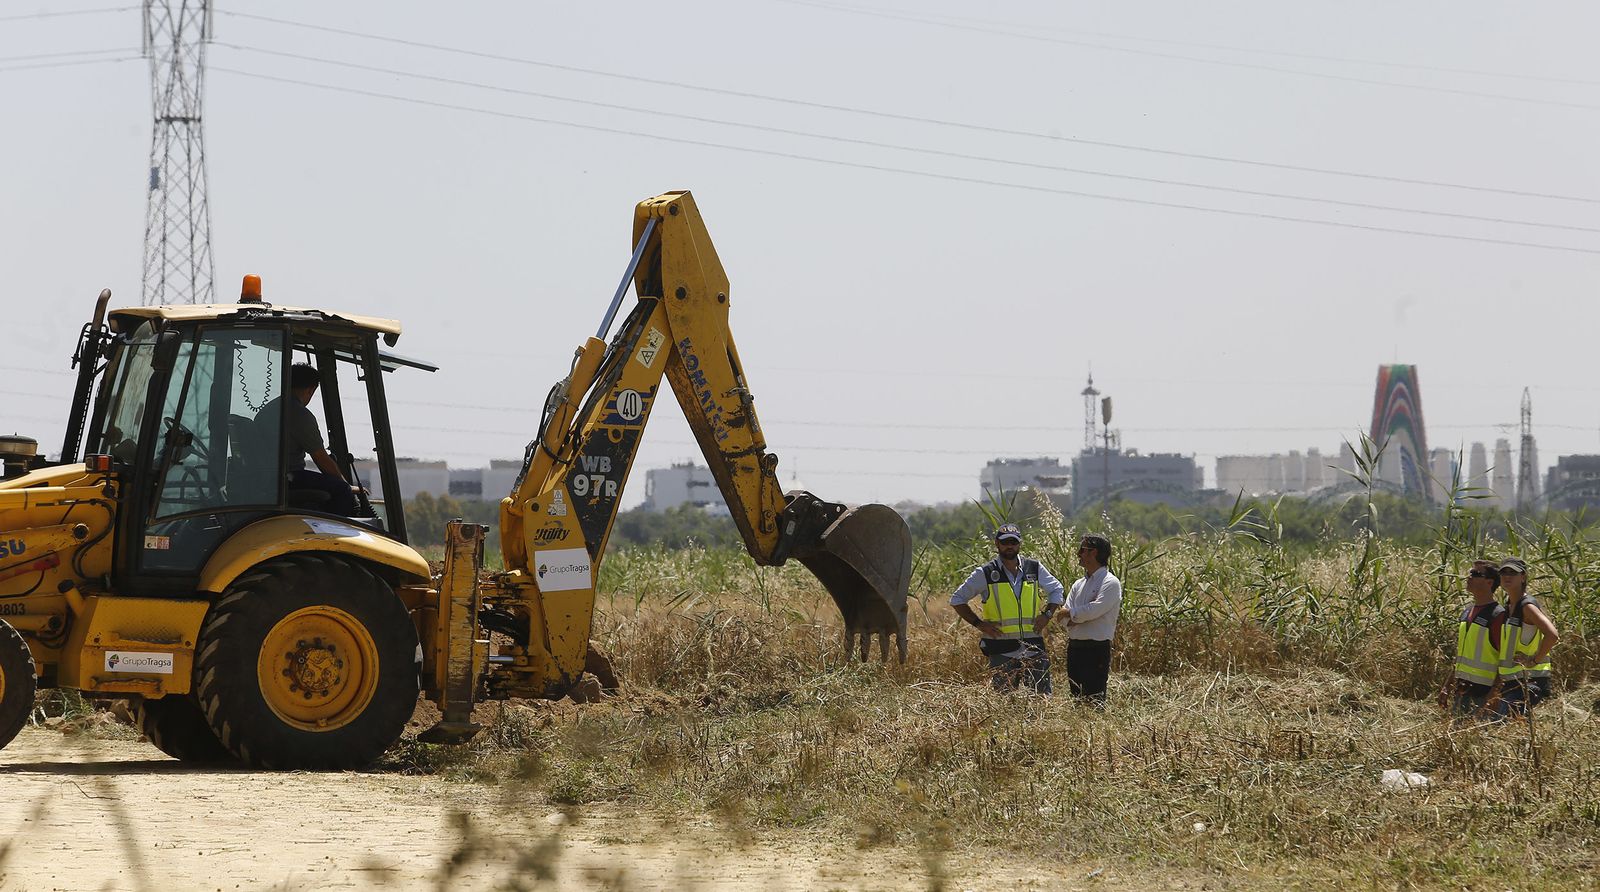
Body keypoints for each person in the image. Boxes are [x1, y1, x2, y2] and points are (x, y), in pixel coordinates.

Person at [950, 523, 1066, 693]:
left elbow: (1057, 589)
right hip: (1002, 649)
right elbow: (957, 599)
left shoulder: (1034, 568)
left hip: (1033, 647)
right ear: (997, 543)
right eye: (1005, 542)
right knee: (1004, 700)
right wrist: (979, 624)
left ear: (1019, 544)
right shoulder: (985, 572)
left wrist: (1047, 614)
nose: (1009, 546)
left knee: (1041, 699)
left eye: (1013, 542)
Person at [256, 362, 357, 515]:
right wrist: (347, 485)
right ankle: (334, 529)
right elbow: (320, 458)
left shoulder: (268, 409)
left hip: (268, 478)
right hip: (288, 477)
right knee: (342, 490)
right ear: (310, 390)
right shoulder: (298, 413)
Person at [1057, 534, 1122, 704]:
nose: (1078, 554)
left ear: (1094, 552)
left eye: (1082, 550)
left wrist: (1073, 614)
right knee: (1076, 699)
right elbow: (1063, 617)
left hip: (1096, 650)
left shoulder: (1111, 583)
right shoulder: (1078, 584)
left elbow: (1094, 610)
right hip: (1074, 648)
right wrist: (1078, 615)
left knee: (1094, 700)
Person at [1439, 559, 1506, 719]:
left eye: (1475, 574)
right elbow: (1461, 655)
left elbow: (1506, 659)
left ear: (1490, 582)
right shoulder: (1466, 613)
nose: (1469, 577)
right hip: (1461, 691)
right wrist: (1447, 686)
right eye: (1470, 573)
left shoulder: (1497, 615)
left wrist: (1495, 693)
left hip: (1484, 694)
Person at [1496, 557, 1559, 718]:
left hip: (1529, 683)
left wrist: (1534, 661)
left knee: (1500, 727)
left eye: (1513, 573)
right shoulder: (1508, 607)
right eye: (1503, 572)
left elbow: (1552, 635)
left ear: (1523, 577)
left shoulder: (1527, 606)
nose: (1507, 576)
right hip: (1513, 683)